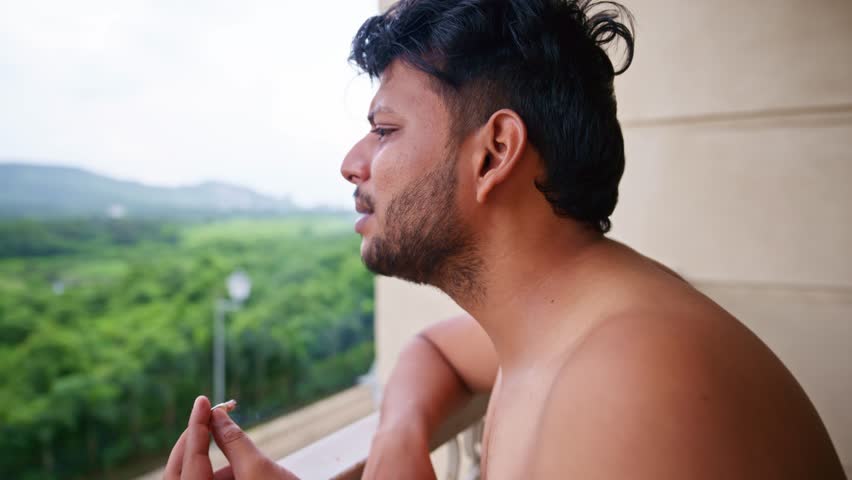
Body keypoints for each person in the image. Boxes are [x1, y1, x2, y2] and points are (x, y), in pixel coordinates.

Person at [166, 0, 847, 478]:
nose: (352, 161)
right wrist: (400, 438)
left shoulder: (630, 387)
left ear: (494, 153)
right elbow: (430, 349)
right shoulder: (566, 327)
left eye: (384, 129)